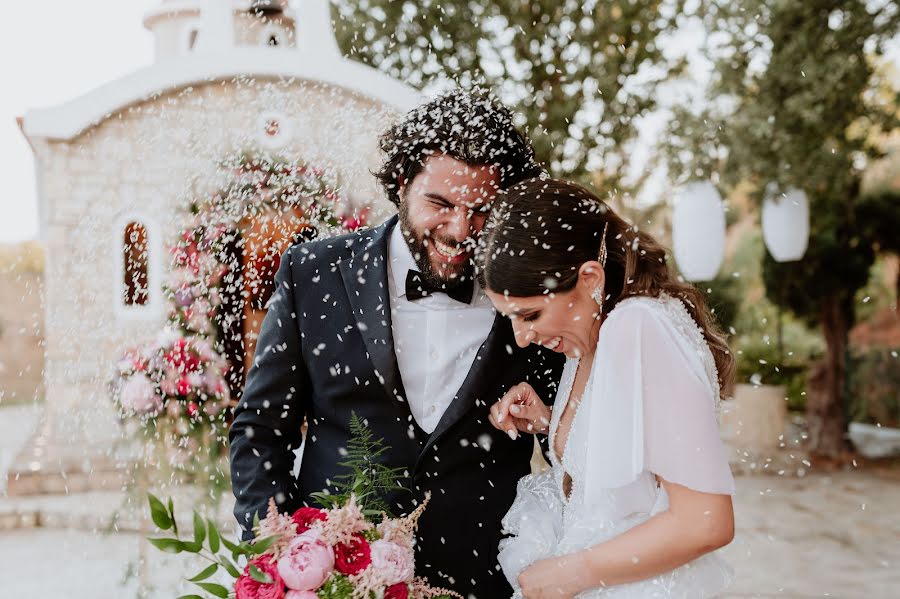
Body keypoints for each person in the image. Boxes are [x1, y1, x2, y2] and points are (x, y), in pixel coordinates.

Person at [228, 89, 565, 598]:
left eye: (482, 211)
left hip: (487, 580)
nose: (460, 230)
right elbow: (260, 433)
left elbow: (570, 444)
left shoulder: (536, 292)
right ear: (403, 184)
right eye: (440, 204)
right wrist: (282, 552)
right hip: (341, 584)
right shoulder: (314, 272)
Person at [480, 178, 737, 598]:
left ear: (589, 278)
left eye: (530, 314)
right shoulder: (591, 337)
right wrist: (554, 424)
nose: (522, 337)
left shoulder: (637, 326)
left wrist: (573, 573)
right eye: (510, 318)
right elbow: (630, 470)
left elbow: (705, 520)